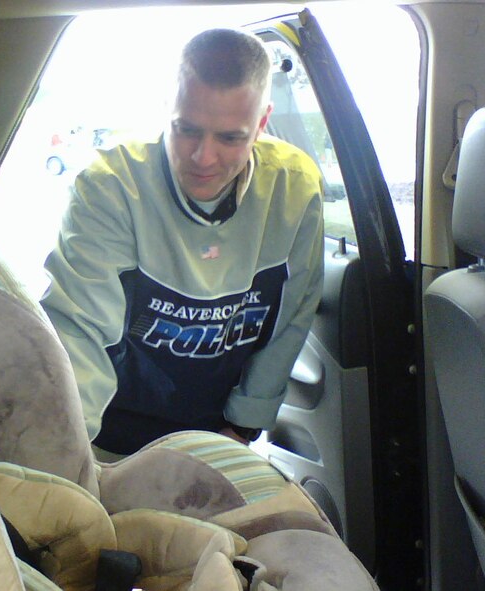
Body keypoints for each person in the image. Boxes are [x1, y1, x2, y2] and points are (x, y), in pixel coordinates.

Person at [41, 28, 324, 458]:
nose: (203, 158)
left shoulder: (295, 189)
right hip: (107, 432)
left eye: (230, 138)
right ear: (167, 111)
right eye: (186, 130)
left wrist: (243, 429)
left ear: (262, 124)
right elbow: (80, 330)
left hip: (216, 436)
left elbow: (291, 317)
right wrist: (70, 455)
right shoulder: (111, 187)